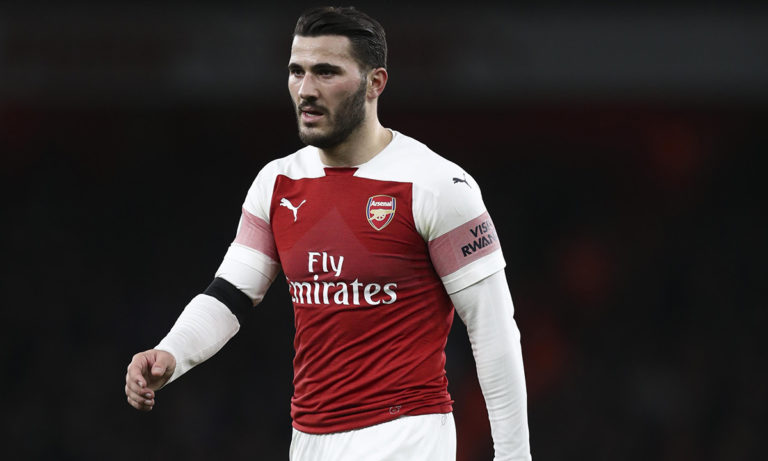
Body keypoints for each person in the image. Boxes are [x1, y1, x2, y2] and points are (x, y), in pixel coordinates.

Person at [125, 6, 531, 460]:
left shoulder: (436, 185)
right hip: (310, 438)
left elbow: (494, 329)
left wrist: (514, 456)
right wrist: (171, 352)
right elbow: (230, 294)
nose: (306, 89)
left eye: (326, 72)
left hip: (406, 434)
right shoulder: (278, 183)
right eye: (296, 71)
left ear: (375, 83)